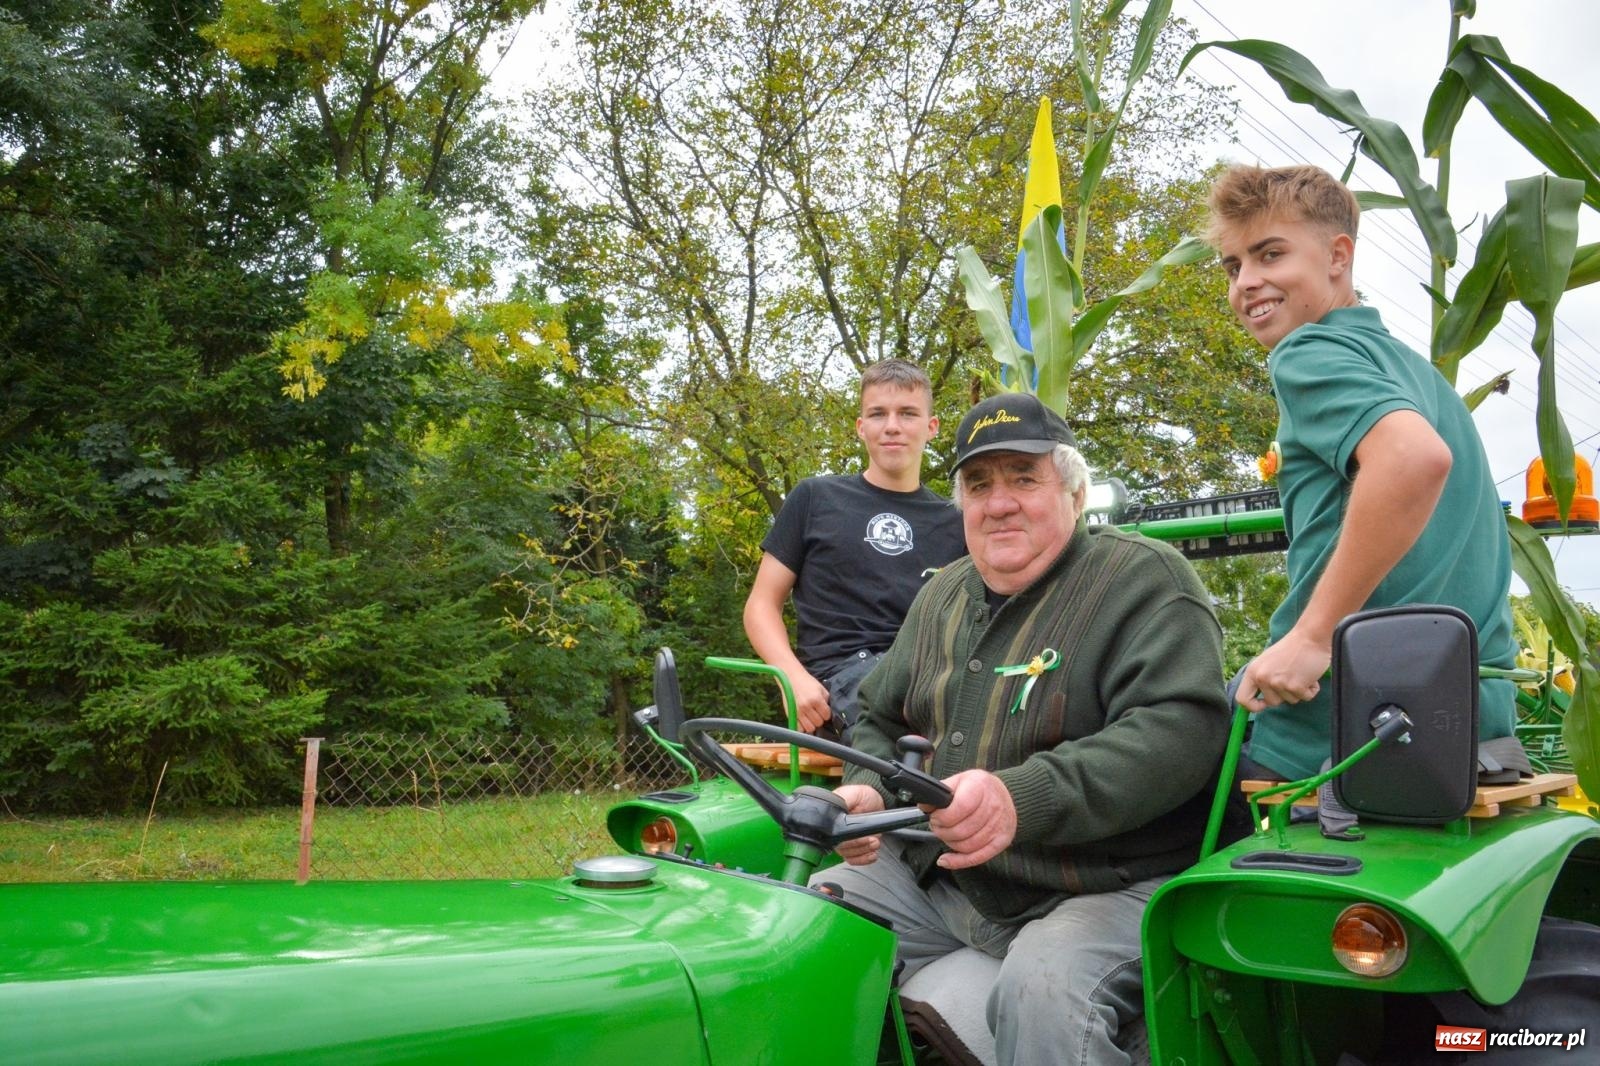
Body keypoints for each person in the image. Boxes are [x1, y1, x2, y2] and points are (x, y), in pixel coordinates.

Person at [814, 392, 1230, 1066]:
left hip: (1104, 882)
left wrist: (1020, 798)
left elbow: (1179, 731)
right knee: (808, 928)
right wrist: (868, 788)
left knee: (1045, 992)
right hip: (949, 883)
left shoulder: (1145, 579)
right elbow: (880, 717)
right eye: (979, 485)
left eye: (1023, 479)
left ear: (1074, 490)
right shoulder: (941, 595)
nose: (998, 502)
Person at [1205, 163, 1520, 782]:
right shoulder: (1417, 373)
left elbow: (1412, 460)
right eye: (1233, 266)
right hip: (1478, 720)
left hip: (1348, 728)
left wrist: (1312, 637)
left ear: (1337, 257)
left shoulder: (1308, 351)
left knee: (1134, 815)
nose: (1248, 282)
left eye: (1270, 254)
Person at [744, 358, 965, 735]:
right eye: (878, 414)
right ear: (861, 428)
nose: (892, 427)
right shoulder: (815, 497)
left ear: (931, 428)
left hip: (928, 675)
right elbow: (761, 604)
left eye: (907, 414)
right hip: (839, 682)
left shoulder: (957, 519)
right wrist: (791, 678)